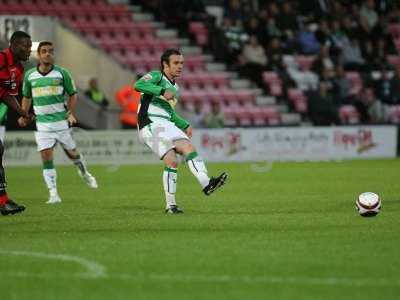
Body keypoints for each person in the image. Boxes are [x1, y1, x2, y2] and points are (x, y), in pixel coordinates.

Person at [134, 49, 228, 214]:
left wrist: (184, 124)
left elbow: (169, 113)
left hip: (164, 123)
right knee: (185, 147)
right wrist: (162, 91)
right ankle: (206, 183)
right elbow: (138, 85)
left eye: (182, 63)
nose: (180, 66)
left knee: (173, 160)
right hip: (150, 122)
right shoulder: (157, 76)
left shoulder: (175, 87)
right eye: (176, 63)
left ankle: (171, 206)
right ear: (165, 65)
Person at [18, 41, 98, 204]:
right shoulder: (30, 76)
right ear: (39, 55)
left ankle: (84, 173)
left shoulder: (62, 73)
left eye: (50, 51)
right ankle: (53, 194)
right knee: (46, 157)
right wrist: (23, 114)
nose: (48, 54)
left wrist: (69, 113)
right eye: (44, 51)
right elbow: (27, 97)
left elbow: (73, 95)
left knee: (72, 154)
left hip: (60, 122)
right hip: (42, 125)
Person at [0, 31, 33, 215]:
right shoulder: (1, 58)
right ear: (13, 44)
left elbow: (7, 95)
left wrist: (23, 112)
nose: (29, 50)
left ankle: (3, 200)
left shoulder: (19, 68)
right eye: (25, 46)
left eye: (30, 46)